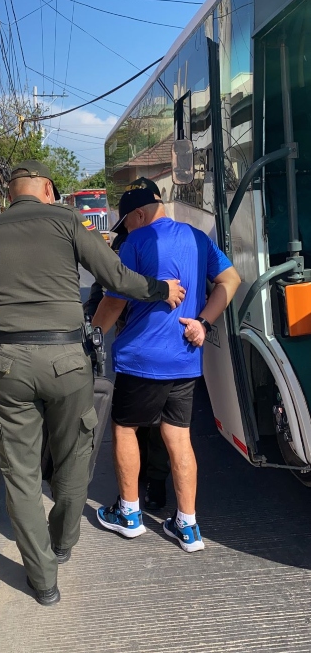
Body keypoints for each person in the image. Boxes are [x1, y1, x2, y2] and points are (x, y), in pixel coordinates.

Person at [0, 160, 186, 606]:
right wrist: (163, 290)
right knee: (72, 454)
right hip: (68, 361)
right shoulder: (67, 221)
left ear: (12, 191)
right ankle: (63, 543)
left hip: (9, 363)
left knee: (20, 472)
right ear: (48, 188)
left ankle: (43, 581)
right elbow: (116, 278)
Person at [91, 186, 241, 552]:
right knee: (179, 437)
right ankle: (187, 526)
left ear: (138, 215)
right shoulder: (196, 237)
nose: (125, 231)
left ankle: (129, 514)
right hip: (185, 358)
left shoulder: (135, 242)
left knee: (125, 428)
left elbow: (113, 301)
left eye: (125, 223)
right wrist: (203, 323)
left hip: (142, 359)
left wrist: (91, 337)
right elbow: (230, 280)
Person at [82, 177, 172, 510]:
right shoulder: (123, 244)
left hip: (160, 341)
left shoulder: (172, 241)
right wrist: (94, 327)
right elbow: (102, 293)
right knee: (137, 421)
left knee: (156, 421)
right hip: (132, 341)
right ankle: (139, 480)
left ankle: (156, 483)